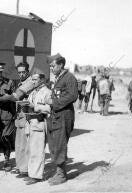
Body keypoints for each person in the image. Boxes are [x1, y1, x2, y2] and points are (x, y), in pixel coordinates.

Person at [46, 53, 78, 185]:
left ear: (61, 65)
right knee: (54, 144)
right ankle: (59, 171)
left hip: (64, 116)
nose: (51, 68)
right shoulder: (59, 78)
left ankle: (61, 175)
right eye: (50, 66)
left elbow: (72, 96)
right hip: (56, 116)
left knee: (60, 144)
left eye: (53, 66)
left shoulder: (69, 77)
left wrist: (53, 103)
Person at [23, 73, 52, 185]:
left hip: (39, 124)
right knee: (31, 151)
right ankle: (31, 173)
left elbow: (50, 108)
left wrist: (35, 107)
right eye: (32, 79)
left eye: (35, 79)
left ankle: (36, 176)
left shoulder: (47, 92)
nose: (33, 81)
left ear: (42, 80)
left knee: (38, 151)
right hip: (30, 124)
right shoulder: (33, 92)